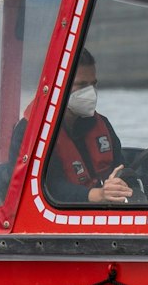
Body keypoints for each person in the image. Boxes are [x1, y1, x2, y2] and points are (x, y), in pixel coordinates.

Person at [43, 49, 135, 204]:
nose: (90, 92)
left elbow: (120, 166)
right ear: (57, 85)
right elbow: (49, 188)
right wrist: (99, 195)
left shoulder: (101, 124)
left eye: (93, 84)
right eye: (82, 85)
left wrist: (121, 182)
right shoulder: (32, 133)